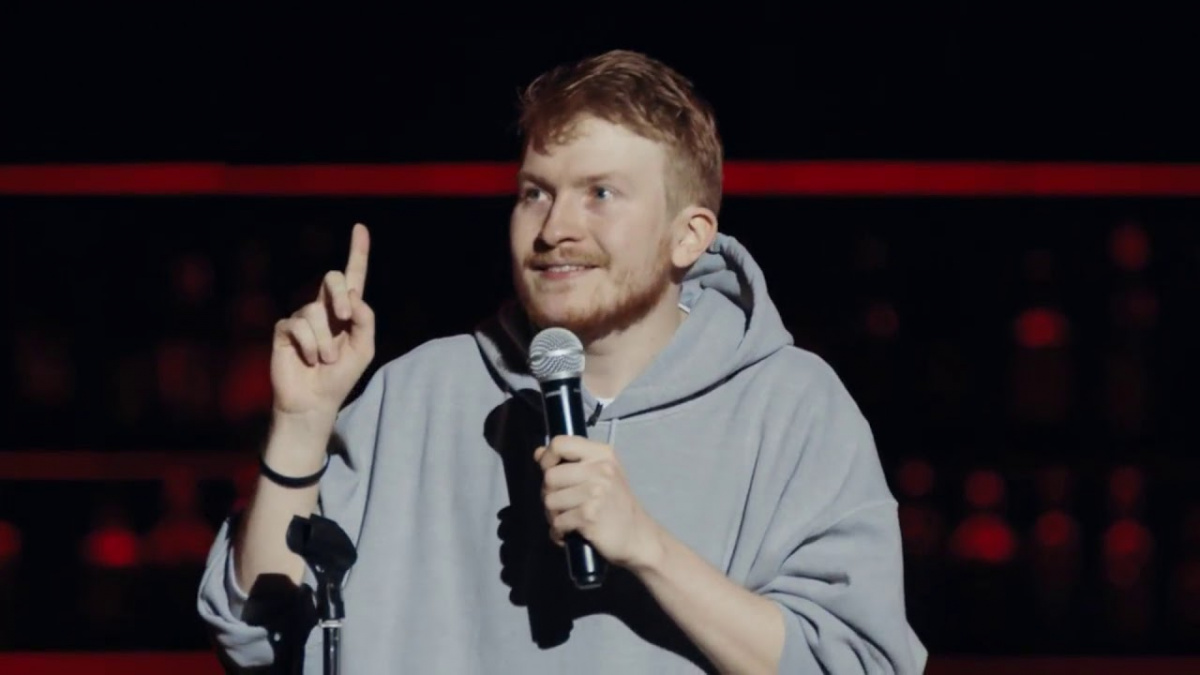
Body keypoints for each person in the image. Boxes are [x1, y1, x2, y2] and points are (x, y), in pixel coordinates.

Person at [198, 49, 928, 674]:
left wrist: (647, 548)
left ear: (689, 235)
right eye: (535, 193)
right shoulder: (417, 393)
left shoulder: (791, 406)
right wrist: (301, 424)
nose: (554, 228)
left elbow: (854, 663)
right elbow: (255, 635)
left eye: (600, 194)